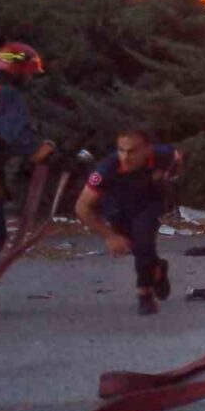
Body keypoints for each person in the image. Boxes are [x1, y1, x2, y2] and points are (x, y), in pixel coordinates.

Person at [0, 42, 54, 318]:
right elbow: (16, 136)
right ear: (17, 68)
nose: (29, 78)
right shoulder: (3, 95)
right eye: (28, 72)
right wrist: (44, 151)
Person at [74, 128, 182, 315]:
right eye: (121, 150)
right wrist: (109, 236)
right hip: (118, 207)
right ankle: (157, 269)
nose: (125, 156)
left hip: (149, 201)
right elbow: (81, 208)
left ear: (147, 149)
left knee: (143, 241)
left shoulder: (160, 154)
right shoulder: (107, 169)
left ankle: (144, 294)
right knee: (134, 246)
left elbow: (177, 157)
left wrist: (167, 175)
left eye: (131, 151)